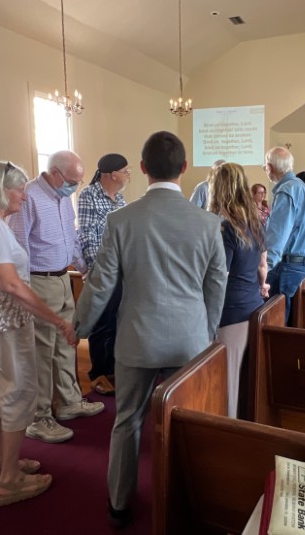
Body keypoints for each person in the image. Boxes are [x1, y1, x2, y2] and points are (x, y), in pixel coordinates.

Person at [74, 131, 227, 528]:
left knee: (127, 421)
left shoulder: (121, 220)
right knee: (186, 424)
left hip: (137, 338)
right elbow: (216, 284)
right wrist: (207, 332)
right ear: (184, 167)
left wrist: (79, 327)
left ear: (142, 168)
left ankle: (119, 504)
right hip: (190, 340)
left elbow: (101, 283)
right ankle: (182, 500)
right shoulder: (208, 223)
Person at [0, 161, 76, 506]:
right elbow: (11, 284)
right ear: (0, 189)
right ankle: (9, 480)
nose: (24, 196)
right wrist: (57, 320)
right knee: (19, 390)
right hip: (2, 317)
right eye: (19, 190)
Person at [8, 150, 104, 445]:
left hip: (63, 278)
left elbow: (71, 238)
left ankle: (68, 402)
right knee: (42, 350)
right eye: (72, 181)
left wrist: (84, 268)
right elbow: (19, 245)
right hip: (39, 280)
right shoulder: (29, 197)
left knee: (66, 342)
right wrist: (25, 289)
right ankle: (40, 417)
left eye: (78, 182)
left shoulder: (63, 199)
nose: (75, 187)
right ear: (54, 173)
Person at [209, 162, 269, 418]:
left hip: (231, 312)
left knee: (229, 388)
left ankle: (228, 434)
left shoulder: (226, 227)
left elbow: (219, 277)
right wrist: (261, 287)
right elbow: (263, 266)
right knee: (243, 384)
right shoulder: (254, 221)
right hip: (253, 306)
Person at [77, 153, 131, 396]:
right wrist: (94, 269)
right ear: (112, 174)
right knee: (101, 322)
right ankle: (99, 373)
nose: (128, 175)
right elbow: (86, 234)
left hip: (121, 270)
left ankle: (113, 370)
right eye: (125, 171)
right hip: (102, 270)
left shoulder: (119, 199)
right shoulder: (89, 195)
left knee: (116, 321)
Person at [263, 147, 305, 324]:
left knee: (276, 326)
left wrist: (263, 271)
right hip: (301, 266)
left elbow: (276, 238)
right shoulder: (302, 187)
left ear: (270, 168)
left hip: (286, 269)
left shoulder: (287, 190)